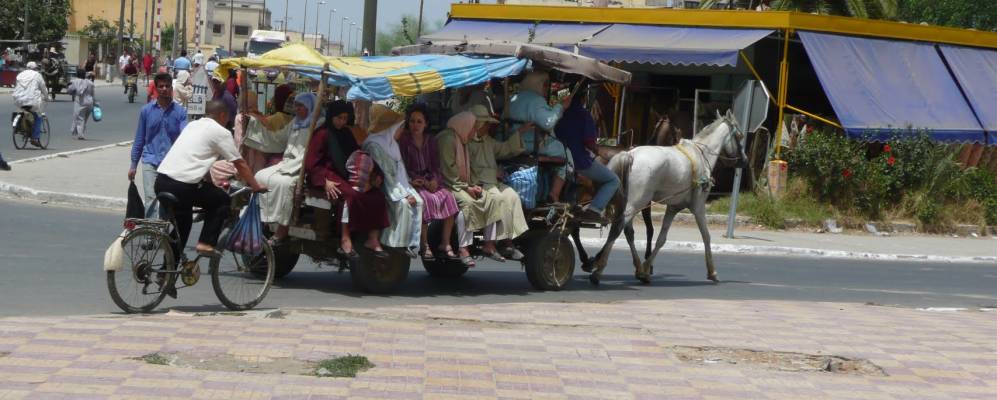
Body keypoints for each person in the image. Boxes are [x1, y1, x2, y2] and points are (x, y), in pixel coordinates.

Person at [155, 99, 266, 256]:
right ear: (222, 115)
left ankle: (166, 272)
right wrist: (255, 186)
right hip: (182, 186)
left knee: (183, 226)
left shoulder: (193, 125)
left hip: (161, 182)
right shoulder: (221, 132)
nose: (228, 121)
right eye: (228, 117)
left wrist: (210, 183)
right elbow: (240, 163)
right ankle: (206, 243)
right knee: (221, 201)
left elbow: (199, 160)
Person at [305, 100, 389, 258]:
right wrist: (325, 181)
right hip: (328, 176)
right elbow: (311, 164)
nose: (342, 121)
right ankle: (345, 238)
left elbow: (358, 155)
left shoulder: (346, 133)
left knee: (377, 196)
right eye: (339, 118)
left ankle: (372, 238)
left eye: (345, 118)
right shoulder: (322, 134)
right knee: (351, 196)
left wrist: (376, 174)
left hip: (347, 174)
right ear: (332, 117)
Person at [436, 112, 506, 266]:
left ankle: (489, 244)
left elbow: (467, 170)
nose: (474, 131)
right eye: (473, 127)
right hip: (447, 184)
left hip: (459, 184)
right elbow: (448, 170)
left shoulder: (462, 139)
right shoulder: (447, 139)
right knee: (468, 204)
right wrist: (467, 188)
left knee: (490, 198)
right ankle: (463, 248)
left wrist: (473, 185)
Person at [254, 92, 320, 244]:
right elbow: (278, 138)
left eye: (300, 106)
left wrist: (296, 164)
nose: (296, 109)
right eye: (296, 105)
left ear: (309, 107)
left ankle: (282, 227)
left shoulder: (316, 125)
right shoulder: (295, 122)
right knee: (259, 176)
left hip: (300, 167)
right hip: (286, 163)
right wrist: (255, 125)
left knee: (284, 184)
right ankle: (263, 219)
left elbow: (311, 153)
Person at [397, 104, 460, 260]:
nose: (415, 125)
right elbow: (402, 165)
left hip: (430, 179)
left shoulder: (431, 140)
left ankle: (445, 243)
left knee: (449, 197)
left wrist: (434, 181)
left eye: (419, 121)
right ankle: (424, 245)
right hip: (413, 182)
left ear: (426, 124)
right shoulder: (403, 140)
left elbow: (435, 165)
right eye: (412, 121)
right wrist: (414, 181)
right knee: (425, 200)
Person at [466, 105, 528, 260]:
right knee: (498, 198)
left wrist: (520, 132)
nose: (488, 126)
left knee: (512, 196)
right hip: (479, 183)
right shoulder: (467, 143)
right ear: (478, 124)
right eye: (486, 123)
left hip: (493, 182)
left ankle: (507, 241)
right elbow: (472, 170)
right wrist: (494, 173)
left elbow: (505, 149)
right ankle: (498, 243)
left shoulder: (488, 141)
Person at [363, 104, 424, 258]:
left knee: (418, 201)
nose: (402, 131)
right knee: (403, 203)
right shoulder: (375, 144)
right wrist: (403, 194)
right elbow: (386, 175)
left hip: (396, 185)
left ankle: (409, 242)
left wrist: (408, 186)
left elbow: (400, 170)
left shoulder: (392, 144)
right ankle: (394, 242)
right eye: (400, 128)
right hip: (383, 185)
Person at [506, 70, 574, 203]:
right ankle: (554, 194)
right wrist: (561, 106)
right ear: (540, 85)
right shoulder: (536, 100)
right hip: (531, 144)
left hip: (513, 141)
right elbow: (548, 122)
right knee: (566, 154)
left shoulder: (513, 98)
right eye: (545, 85)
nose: (546, 89)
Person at [129, 72, 188, 218]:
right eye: (161, 86)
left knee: (166, 200)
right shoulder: (146, 111)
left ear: (171, 88)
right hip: (150, 161)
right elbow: (139, 139)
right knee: (151, 198)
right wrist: (133, 165)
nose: (164, 89)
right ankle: (151, 235)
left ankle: (162, 232)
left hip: (170, 165)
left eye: (167, 86)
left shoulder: (180, 112)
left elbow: (185, 136)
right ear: (156, 88)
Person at [555, 90, 620, 220]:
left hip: (558, 155)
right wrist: (598, 151)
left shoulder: (559, 112)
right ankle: (595, 209)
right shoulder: (584, 115)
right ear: (584, 98)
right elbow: (589, 142)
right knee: (613, 180)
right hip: (578, 159)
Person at [12, 62, 48, 147]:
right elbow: (43, 87)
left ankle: (22, 128)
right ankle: (34, 138)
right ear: (35, 68)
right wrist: (46, 96)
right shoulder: (37, 75)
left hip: (18, 99)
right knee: (38, 116)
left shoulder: (20, 74)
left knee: (23, 111)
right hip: (32, 100)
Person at [68, 70, 97, 140]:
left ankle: (80, 134)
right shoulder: (90, 83)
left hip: (81, 102)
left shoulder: (75, 81)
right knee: (84, 119)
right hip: (90, 103)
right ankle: (80, 132)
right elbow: (93, 94)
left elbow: (70, 90)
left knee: (80, 119)